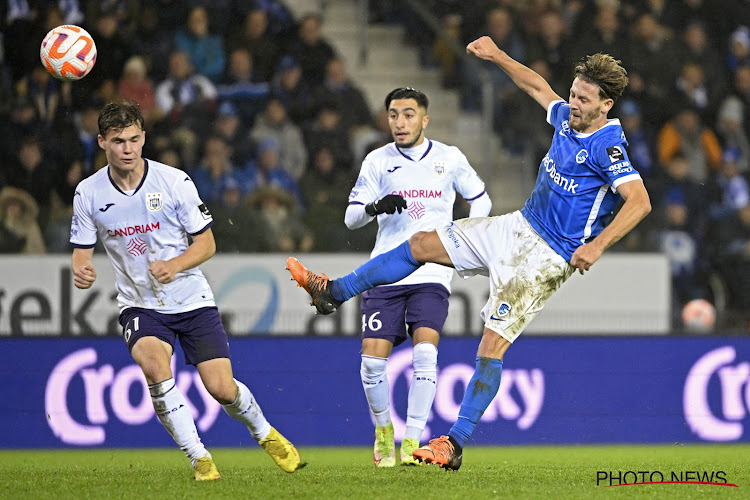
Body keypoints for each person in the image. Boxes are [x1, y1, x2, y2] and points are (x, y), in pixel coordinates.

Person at [287, 36, 651, 470]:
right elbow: (537, 87)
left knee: (491, 346)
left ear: (605, 105)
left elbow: (640, 201)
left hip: (547, 257)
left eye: (583, 99)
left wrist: (597, 245)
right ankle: (334, 291)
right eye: (572, 93)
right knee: (422, 243)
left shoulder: (608, 147)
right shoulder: (567, 119)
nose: (572, 103)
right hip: (517, 225)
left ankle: (453, 443)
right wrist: (498, 56)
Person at [70, 100, 302, 480]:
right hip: (139, 305)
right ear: (101, 142)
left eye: (133, 139)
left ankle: (265, 433)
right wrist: (81, 269)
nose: (127, 149)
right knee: (155, 369)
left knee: (222, 389)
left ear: (144, 137)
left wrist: (174, 265)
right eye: (117, 141)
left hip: (191, 299)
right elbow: (81, 253)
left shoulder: (174, 181)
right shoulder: (88, 193)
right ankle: (199, 458)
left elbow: (207, 244)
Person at [343, 87, 492, 467]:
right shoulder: (377, 161)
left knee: (425, 353)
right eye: (393, 114)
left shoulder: (449, 158)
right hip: (386, 272)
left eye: (408, 114)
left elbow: (481, 198)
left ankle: (412, 441)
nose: (400, 122)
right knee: (372, 364)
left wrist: (459, 234)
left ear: (425, 119)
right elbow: (351, 217)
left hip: (432, 272)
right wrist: (376, 207)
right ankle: (383, 432)